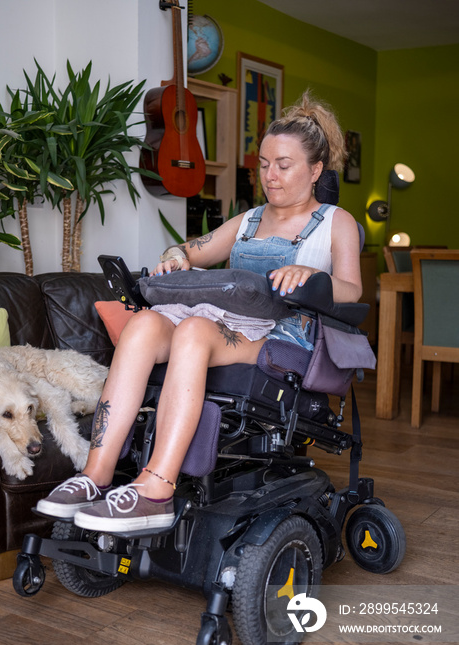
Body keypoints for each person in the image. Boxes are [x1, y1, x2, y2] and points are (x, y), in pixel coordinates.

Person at [36, 90, 362, 532]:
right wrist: (176, 257)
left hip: (282, 335)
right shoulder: (247, 221)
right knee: (145, 324)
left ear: (316, 169)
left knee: (192, 330)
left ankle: (156, 490)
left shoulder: (334, 222)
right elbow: (187, 249)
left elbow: (352, 291)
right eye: (264, 165)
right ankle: (96, 473)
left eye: (283, 165)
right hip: (222, 322)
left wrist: (310, 274)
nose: (271, 176)